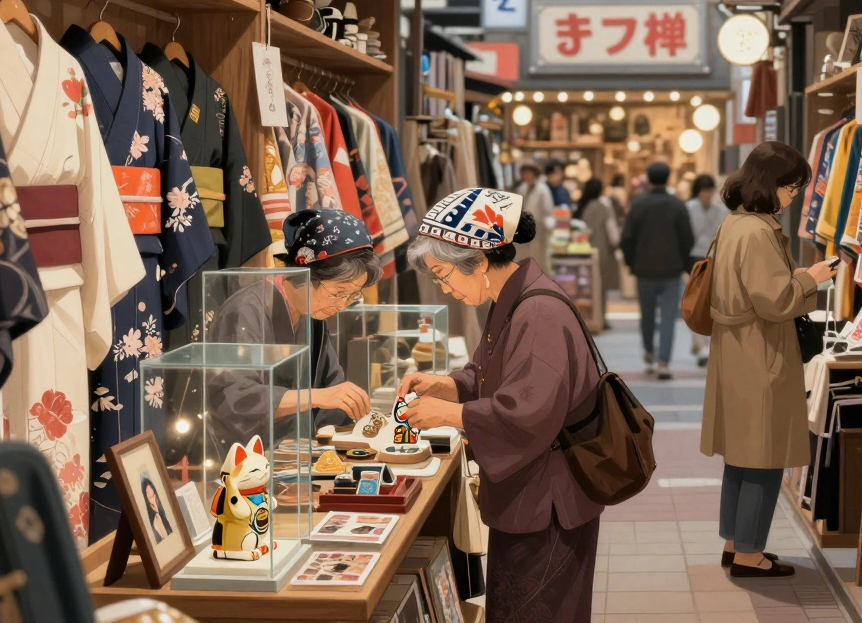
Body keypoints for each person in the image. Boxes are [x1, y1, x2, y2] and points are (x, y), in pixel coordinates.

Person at [399, 187, 603, 623]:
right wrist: (445, 386)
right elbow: (486, 376)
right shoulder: (512, 297)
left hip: (550, 503)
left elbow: (529, 413)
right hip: (535, 493)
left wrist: (451, 414)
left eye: (442, 274)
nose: (444, 287)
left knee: (538, 612)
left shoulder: (538, 313)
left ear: (477, 261)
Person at [702, 142, 837, 578]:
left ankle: (734, 542)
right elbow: (775, 300)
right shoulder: (759, 232)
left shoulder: (735, 223)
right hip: (760, 351)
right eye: (791, 187)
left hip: (736, 348)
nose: (793, 196)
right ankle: (749, 554)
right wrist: (810, 276)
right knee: (763, 455)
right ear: (770, 184)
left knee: (741, 456)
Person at [177, 209, 378, 459]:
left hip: (293, 452)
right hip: (240, 457)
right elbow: (234, 398)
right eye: (339, 291)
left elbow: (331, 384)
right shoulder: (246, 309)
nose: (343, 304)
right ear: (306, 274)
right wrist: (316, 397)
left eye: (353, 295)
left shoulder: (313, 313)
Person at [620, 162, 694, 380]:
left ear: (649, 180)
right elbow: (687, 238)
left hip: (644, 269)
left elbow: (627, 238)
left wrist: (631, 263)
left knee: (647, 314)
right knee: (669, 316)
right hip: (671, 269)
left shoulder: (639, 205)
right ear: (668, 178)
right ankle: (664, 362)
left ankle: (649, 352)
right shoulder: (677, 205)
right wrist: (682, 261)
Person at [686, 174, 729, 367]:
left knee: (711, 302)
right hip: (693, 258)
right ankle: (698, 343)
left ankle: (706, 344)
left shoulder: (720, 210)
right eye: (704, 191)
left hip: (714, 258)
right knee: (696, 301)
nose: (707, 195)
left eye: (709, 191)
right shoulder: (688, 208)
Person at [574, 178, 621, 329]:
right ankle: (600, 319)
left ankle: (585, 317)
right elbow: (612, 232)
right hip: (602, 252)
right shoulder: (603, 207)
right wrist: (616, 244)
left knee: (584, 288)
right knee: (601, 287)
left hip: (581, 250)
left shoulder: (583, 206)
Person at [514, 162, 553, 272]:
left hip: (539, 231)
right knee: (525, 262)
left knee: (540, 261)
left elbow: (548, 211)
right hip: (525, 230)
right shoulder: (522, 188)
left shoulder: (543, 190)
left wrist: (544, 226)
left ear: (534, 174)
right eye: (524, 173)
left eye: (528, 173)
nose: (526, 175)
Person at [141, 476, 173, 543]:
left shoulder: (162, 507)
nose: (151, 492)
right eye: (147, 492)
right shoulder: (153, 518)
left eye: (152, 488)